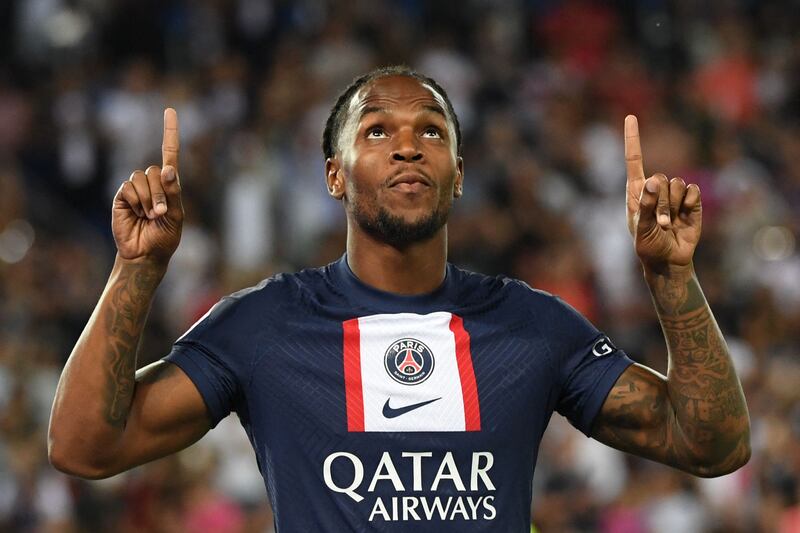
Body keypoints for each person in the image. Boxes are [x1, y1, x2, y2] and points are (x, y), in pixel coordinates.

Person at [48, 66, 751, 531]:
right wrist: (136, 271)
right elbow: (83, 445)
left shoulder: (532, 326)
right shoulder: (264, 326)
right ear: (333, 174)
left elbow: (712, 444)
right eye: (378, 129)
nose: (409, 146)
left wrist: (671, 281)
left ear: (459, 174)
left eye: (433, 132)